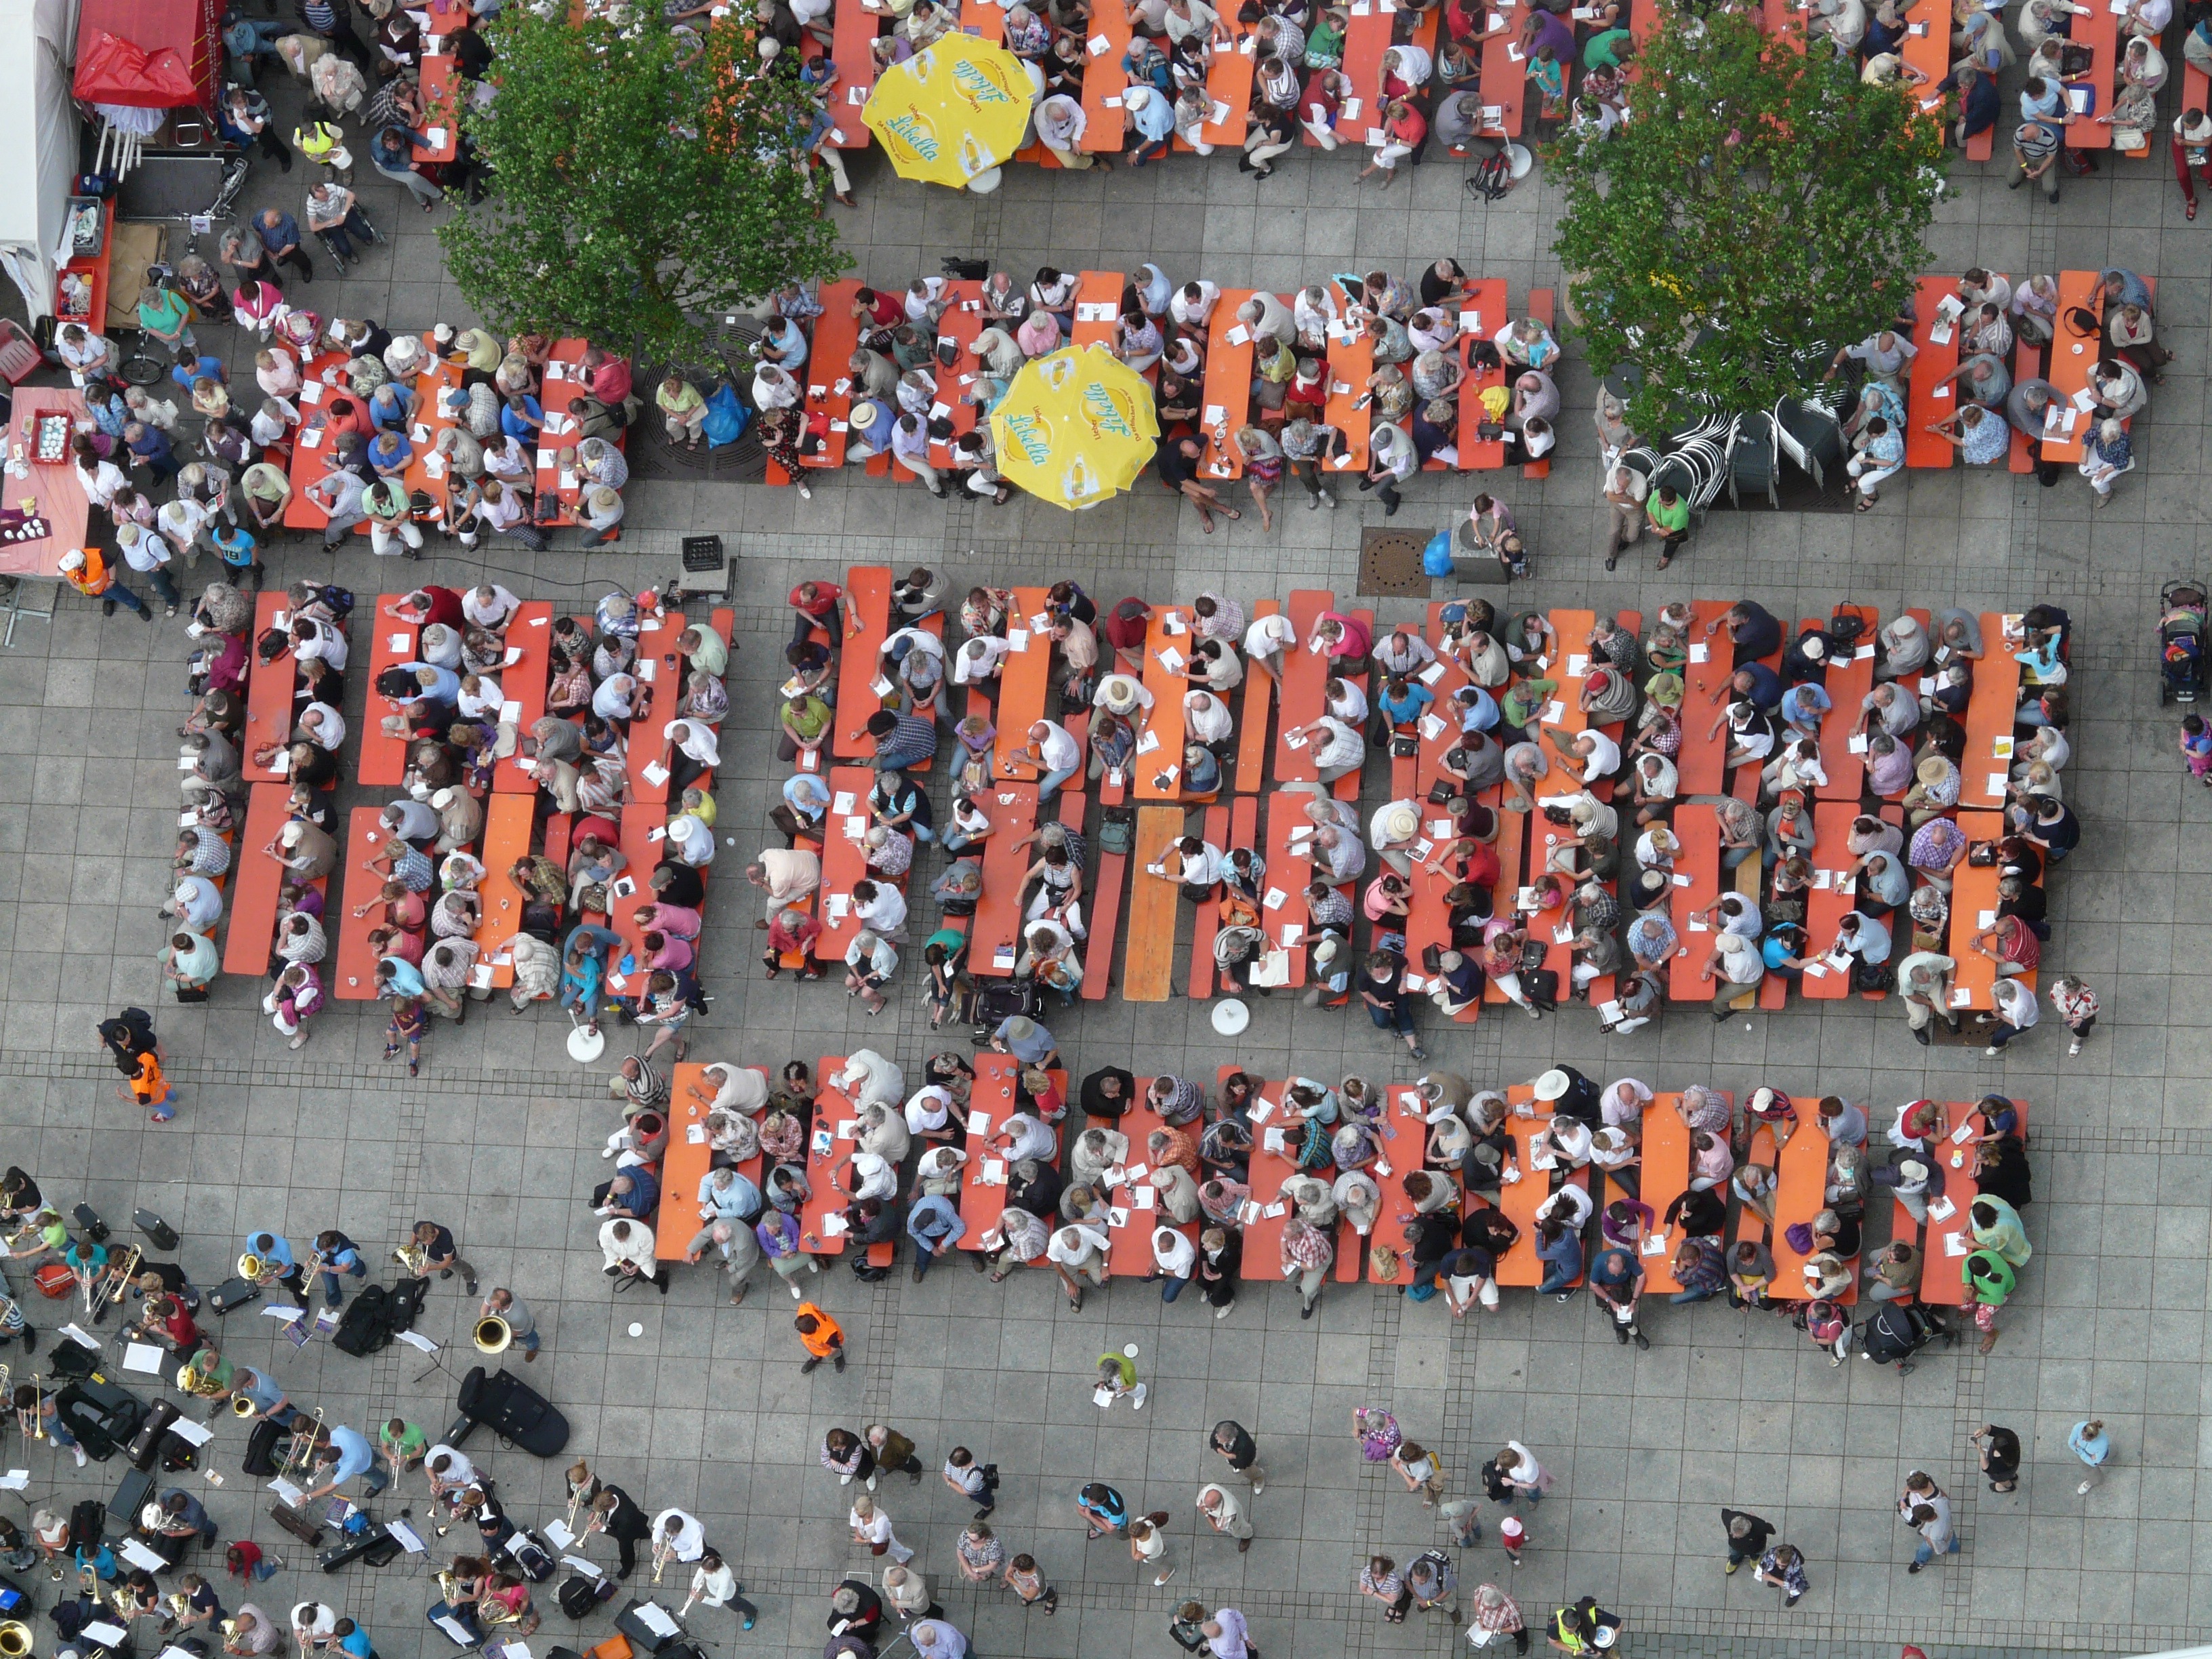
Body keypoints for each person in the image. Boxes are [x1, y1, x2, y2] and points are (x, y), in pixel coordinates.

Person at [2069, 1418, 2111, 1494]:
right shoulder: (2078, 1427)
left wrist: (2079, 1449)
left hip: (2095, 1454)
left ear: (2094, 1438)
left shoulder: (2103, 1443)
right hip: (2089, 1454)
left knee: (2096, 1467)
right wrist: (2084, 1454)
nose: (2082, 1439)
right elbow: (2070, 1443)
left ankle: (2093, 1481)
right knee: (2089, 1467)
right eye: (2082, 1436)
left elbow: (2094, 1463)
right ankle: (2093, 1480)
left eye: (2085, 1440)